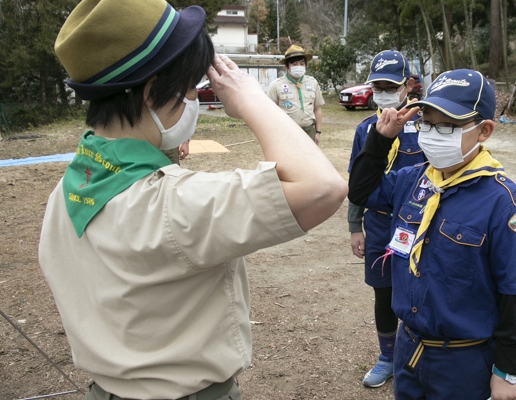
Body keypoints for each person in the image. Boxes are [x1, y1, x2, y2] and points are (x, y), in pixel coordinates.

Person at [38, 1, 347, 399]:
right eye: (188, 91)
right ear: (152, 94)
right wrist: (252, 100)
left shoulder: (67, 191)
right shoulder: (173, 204)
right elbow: (323, 187)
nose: (193, 102)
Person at [348, 69, 516, 400]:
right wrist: (381, 139)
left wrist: (507, 371)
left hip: (464, 359)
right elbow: (360, 190)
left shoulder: (500, 201)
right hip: (410, 348)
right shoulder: (414, 179)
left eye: (447, 126)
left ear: (484, 131)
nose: (433, 134)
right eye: (427, 123)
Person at [347, 50, 426, 388]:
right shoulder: (366, 128)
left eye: (389, 85)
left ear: (407, 86)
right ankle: (387, 356)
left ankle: (419, 356)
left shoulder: (425, 126)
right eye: (376, 86)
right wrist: (355, 226)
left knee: (419, 290)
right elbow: (356, 181)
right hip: (379, 223)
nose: (382, 91)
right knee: (383, 292)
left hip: (416, 223)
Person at [267, 44, 324, 144]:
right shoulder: (276, 85)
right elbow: (269, 114)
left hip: (309, 131)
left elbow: (317, 109)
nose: (299, 67)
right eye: (294, 64)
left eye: (302, 64)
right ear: (287, 66)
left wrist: (318, 132)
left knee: (309, 159)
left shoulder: (313, 83)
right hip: (286, 133)